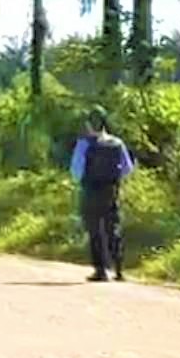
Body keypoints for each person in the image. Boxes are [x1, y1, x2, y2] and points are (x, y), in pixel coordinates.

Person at [70, 106, 135, 282]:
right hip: (111, 191)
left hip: (91, 190)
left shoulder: (84, 144)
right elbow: (127, 168)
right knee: (112, 228)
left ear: (88, 124)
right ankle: (119, 270)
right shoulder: (117, 143)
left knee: (94, 230)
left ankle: (101, 271)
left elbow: (76, 171)